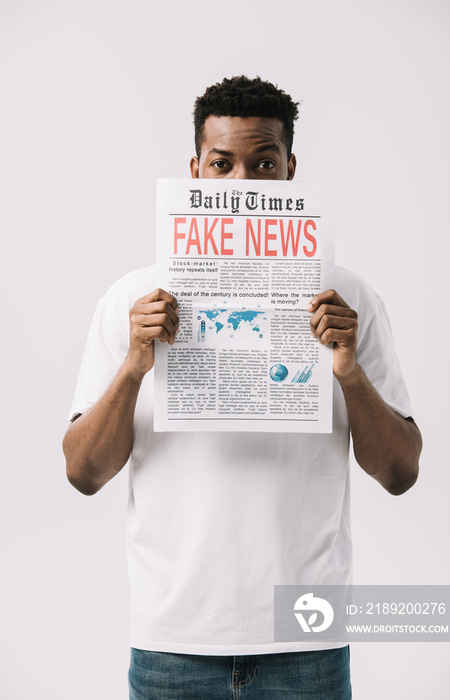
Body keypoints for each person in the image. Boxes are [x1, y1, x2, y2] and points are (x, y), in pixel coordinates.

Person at [63, 76, 422, 699]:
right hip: (174, 636)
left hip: (306, 636)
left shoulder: (349, 300)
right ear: (195, 171)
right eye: (222, 164)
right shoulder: (131, 301)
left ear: (290, 172)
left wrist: (349, 372)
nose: (243, 184)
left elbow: (401, 472)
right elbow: (83, 473)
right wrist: (132, 366)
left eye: (263, 163)